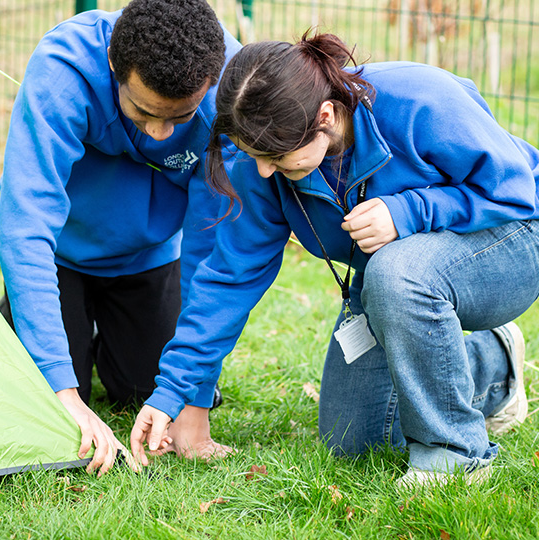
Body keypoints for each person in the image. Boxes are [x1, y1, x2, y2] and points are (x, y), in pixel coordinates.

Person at [131, 31, 539, 486]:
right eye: (255, 156)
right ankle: (491, 365)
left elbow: (516, 193)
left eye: (276, 156)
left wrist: (408, 211)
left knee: (394, 271)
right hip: (394, 276)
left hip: (509, 240)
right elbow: (229, 279)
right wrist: (173, 392)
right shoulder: (264, 164)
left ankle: (453, 456)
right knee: (354, 441)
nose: (265, 171)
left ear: (325, 116)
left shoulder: (420, 98)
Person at [0, 0, 241, 476]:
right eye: (144, 110)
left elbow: (212, 252)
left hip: (147, 258)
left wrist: (192, 400)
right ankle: (59, 334)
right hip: (61, 256)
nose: (158, 132)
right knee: (44, 406)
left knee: (142, 389)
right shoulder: (62, 70)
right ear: (114, 63)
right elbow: (26, 227)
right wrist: (62, 393)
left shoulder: (231, 91)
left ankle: (102, 338)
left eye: (179, 117)